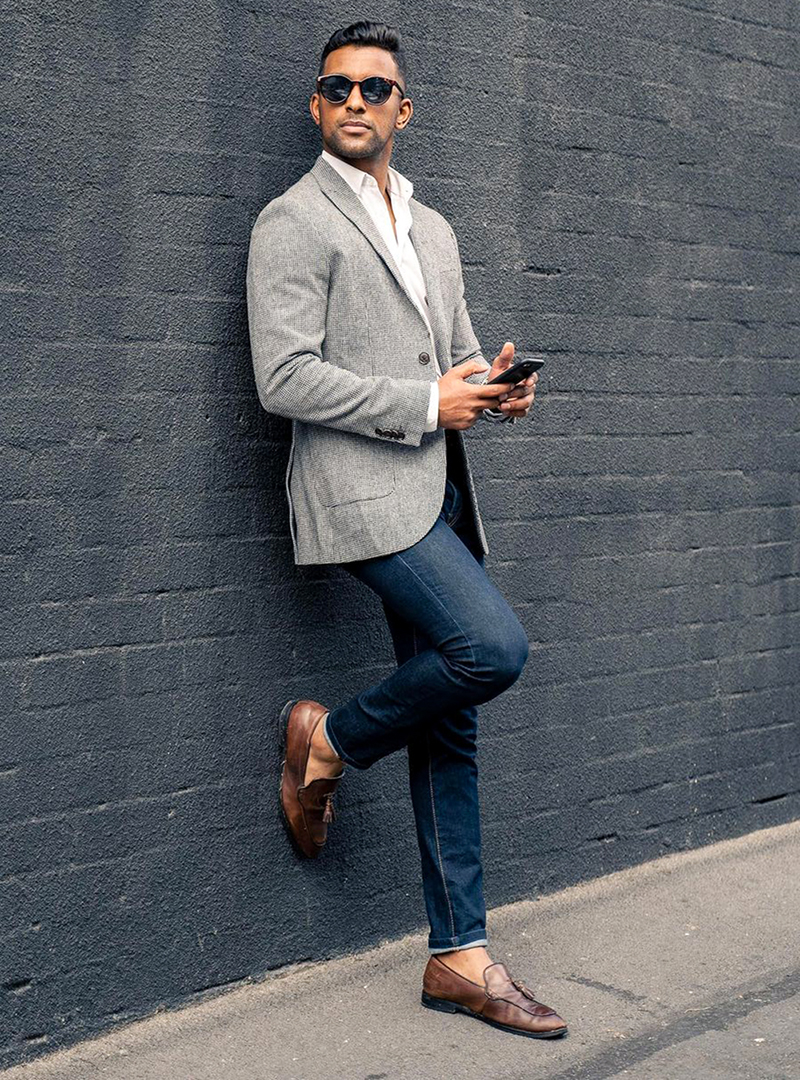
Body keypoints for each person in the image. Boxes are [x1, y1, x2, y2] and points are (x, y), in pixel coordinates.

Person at [246, 20, 567, 1040]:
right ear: (316, 105)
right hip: (359, 493)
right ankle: (328, 741)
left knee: (452, 723)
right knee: (489, 649)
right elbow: (283, 377)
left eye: (373, 89)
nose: (353, 101)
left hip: (441, 492)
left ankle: (457, 956)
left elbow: (458, 358)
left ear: (402, 109)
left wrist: (493, 393)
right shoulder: (288, 224)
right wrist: (429, 404)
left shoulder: (432, 230)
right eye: (335, 86)